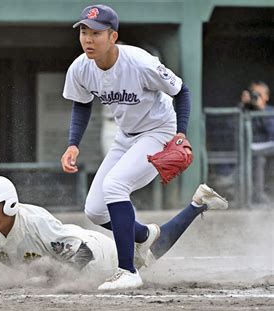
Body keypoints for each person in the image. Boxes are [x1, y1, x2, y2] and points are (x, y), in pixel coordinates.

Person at [60, 4, 192, 289]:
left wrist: (180, 134)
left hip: (159, 130)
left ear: (113, 36)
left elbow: (181, 91)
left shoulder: (140, 62)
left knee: (115, 186)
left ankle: (128, 270)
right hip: (127, 135)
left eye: (96, 32)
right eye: (83, 31)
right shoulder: (81, 68)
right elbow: (81, 106)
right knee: (95, 209)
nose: (88, 38)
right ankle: (145, 237)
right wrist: (73, 144)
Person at [0, 176, 228, 285]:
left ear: (8, 203)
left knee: (147, 256)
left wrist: (52, 278)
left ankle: (196, 205)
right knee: (148, 242)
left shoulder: (35, 223)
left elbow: (83, 256)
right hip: (77, 242)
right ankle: (195, 203)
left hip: (98, 254)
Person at [240, 81, 274, 204]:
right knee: (260, 159)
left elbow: (272, 131)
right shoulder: (244, 109)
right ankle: (259, 196)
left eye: (259, 94)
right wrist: (243, 106)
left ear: (266, 96)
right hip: (250, 150)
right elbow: (233, 129)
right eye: (253, 93)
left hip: (269, 148)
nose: (255, 96)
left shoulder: (270, 110)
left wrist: (261, 110)